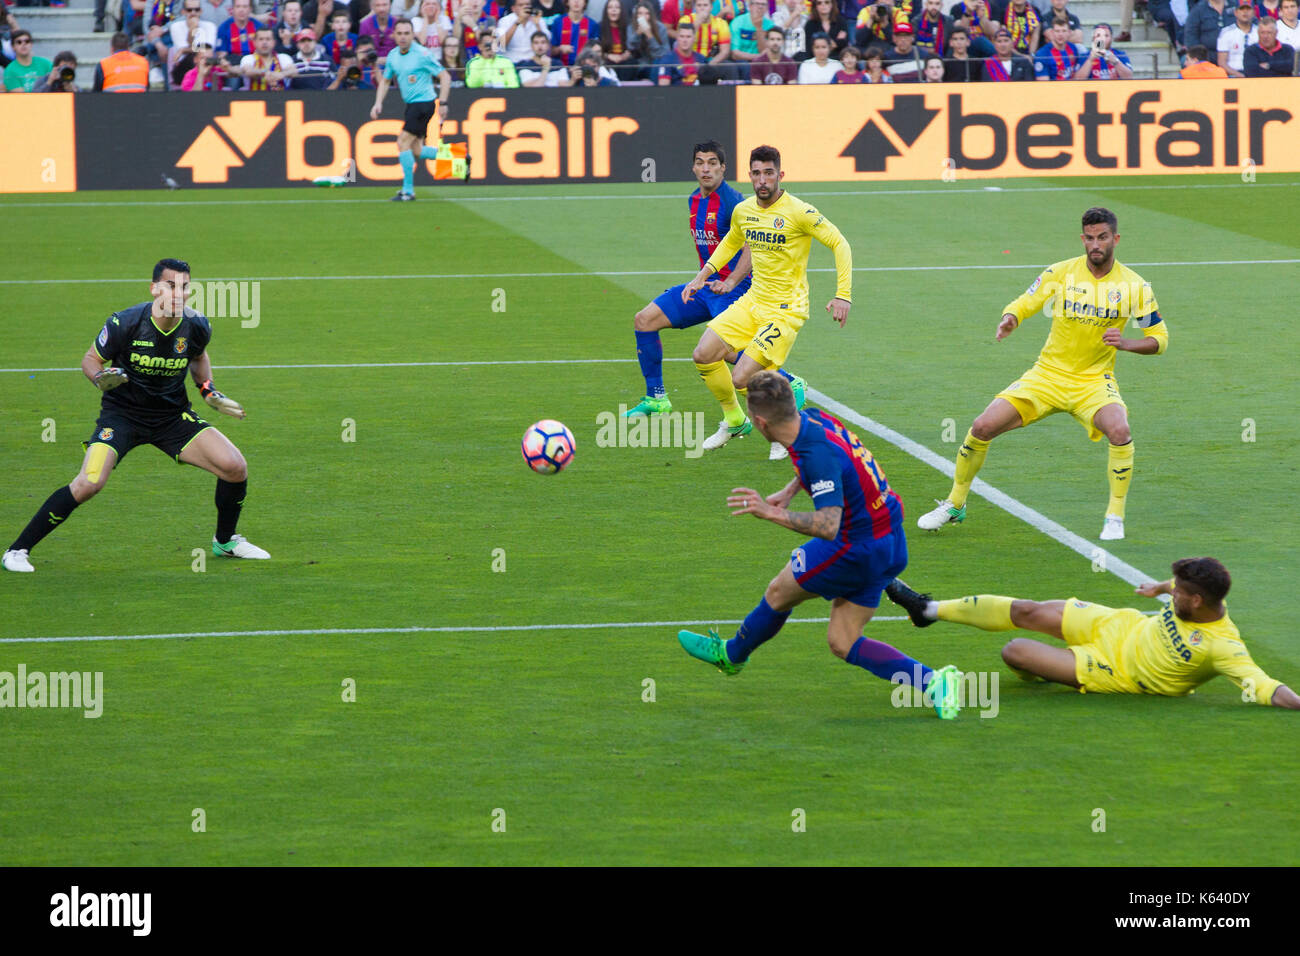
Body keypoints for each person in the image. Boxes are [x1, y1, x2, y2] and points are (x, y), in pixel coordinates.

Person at [676, 372, 963, 720]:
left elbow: (828, 525)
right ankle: (935, 682)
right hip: (890, 537)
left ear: (759, 422)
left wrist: (769, 512)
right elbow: (828, 465)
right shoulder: (813, 417)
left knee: (779, 592)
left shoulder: (815, 455)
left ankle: (732, 654)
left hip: (855, 547)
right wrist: (791, 489)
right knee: (843, 641)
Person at [2, 259, 268, 575]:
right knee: (89, 482)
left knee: (235, 467)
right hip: (122, 418)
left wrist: (208, 391)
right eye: (171, 286)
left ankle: (225, 542)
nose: (179, 294)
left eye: (185, 287)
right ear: (154, 287)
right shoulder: (124, 323)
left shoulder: (197, 325)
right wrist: (100, 377)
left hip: (172, 418)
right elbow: (90, 360)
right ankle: (17, 550)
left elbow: (198, 356)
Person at [916, 207, 1165, 541]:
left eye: (1102, 237)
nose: (1095, 245)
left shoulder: (1135, 286)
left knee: (1119, 429)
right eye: (1089, 238)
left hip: (1092, 382)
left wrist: (1128, 344)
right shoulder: (1060, 272)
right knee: (982, 426)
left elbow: (1159, 340)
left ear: (1115, 239)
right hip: (1046, 376)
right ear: (1082, 239)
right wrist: (1011, 318)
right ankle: (955, 503)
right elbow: (1026, 301)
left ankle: (1114, 515)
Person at [884, 559, 1300, 709]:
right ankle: (927, 609)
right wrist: (1157, 588)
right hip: (1115, 624)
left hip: (1112, 670)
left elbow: (1265, 686)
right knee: (1027, 611)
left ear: (1197, 602)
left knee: (1015, 652)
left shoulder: (1223, 646)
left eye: (1179, 592)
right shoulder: (1192, 594)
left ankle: (1047, 672)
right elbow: (1174, 585)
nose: (1173, 592)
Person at [624, 142, 807, 451]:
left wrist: (732, 279)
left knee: (724, 355)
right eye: (700, 162)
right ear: (693, 168)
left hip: (736, 291)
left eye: (712, 163)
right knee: (644, 320)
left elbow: (751, 245)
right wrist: (702, 279)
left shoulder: (735, 202)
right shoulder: (694, 199)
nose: (705, 168)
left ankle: (786, 384)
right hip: (706, 289)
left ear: (724, 168)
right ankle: (658, 399)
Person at [683, 145, 852, 452]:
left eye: (769, 173)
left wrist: (843, 295)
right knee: (703, 354)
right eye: (757, 174)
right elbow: (732, 242)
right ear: (750, 175)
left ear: (780, 175)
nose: (763, 180)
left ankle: (790, 427)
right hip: (753, 302)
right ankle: (734, 420)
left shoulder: (799, 211)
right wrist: (703, 275)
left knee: (741, 377)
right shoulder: (744, 210)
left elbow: (840, 243)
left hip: (786, 310)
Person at [371, 18, 455, 201]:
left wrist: (444, 102)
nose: (403, 37)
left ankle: (408, 191)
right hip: (412, 105)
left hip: (423, 104)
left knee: (402, 142)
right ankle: (459, 159)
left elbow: (445, 76)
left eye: (406, 33)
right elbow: (385, 81)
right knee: (417, 150)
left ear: (412, 35)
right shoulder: (393, 55)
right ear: (394, 35)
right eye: (399, 33)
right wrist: (378, 103)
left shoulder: (422, 54)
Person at [678, 0, 737, 76]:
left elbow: (725, 51)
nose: (702, 8)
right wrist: (697, 23)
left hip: (712, 60)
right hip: (690, 59)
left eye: (705, 5)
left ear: (711, 7)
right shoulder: (685, 20)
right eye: (699, 5)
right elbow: (683, 45)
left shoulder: (720, 23)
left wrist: (709, 66)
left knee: (730, 68)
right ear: (695, 7)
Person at [232, 26, 297, 87]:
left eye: (268, 39)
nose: (264, 42)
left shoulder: (283, 57)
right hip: (254, 98)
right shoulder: (248, 58)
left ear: (274, 42)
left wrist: (281, 75)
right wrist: (266, 73)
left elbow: (293, 71)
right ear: (254, 42)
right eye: (261, 39)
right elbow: (248, 70)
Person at [628, 0, 670, 77]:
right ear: (636, 15)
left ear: (651, 15)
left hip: (656, 64)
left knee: (659, 65)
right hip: (639, 65)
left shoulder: (661, 28)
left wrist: (650, 35)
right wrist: (637, 34)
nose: (643, 17)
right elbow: (629, 48)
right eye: (640, 13)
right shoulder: (631, 28)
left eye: (647, 13)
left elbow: (663, 53)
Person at [550, 0, 600, 65]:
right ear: (567, 2)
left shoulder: (592, 25)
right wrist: (560, 49)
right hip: (561, 70)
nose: (576, 1)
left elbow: (597, 51)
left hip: (585, 68)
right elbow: (550, 51)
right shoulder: (558, 22)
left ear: (585, 3)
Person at [729, 0, 774, 71]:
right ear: (750, 6)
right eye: (757, 4)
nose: (760, 7)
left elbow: (765, 51)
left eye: (763, 4)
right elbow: (735, 54)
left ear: (767, 8)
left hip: (761, 61)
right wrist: (758, 57)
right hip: (741, 60)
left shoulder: (770, 25)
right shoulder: (737, 22)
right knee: (746, 66)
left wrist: (759, 28)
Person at [1217, 0, 1258, 75]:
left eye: (1248, 9)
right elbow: (1222, 62)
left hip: (1256, 74)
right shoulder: (1226, 33)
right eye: (1242, 9)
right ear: (1235, 12)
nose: (1245, 12)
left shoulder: (1259, 32)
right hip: (1233, 74)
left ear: (1254, 13)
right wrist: (1238, 75)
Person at [600, 0, 634, 72]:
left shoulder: (628, 27)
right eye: (610, 7)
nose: (613, 10)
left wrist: (628, 53)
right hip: (607, 62)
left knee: (631, 64)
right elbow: (595, 49)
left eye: (617, 7)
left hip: (625, 63)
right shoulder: (600, 27)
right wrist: (608, 56)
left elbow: (635, 48)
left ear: (622, 11)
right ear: (606, 11)